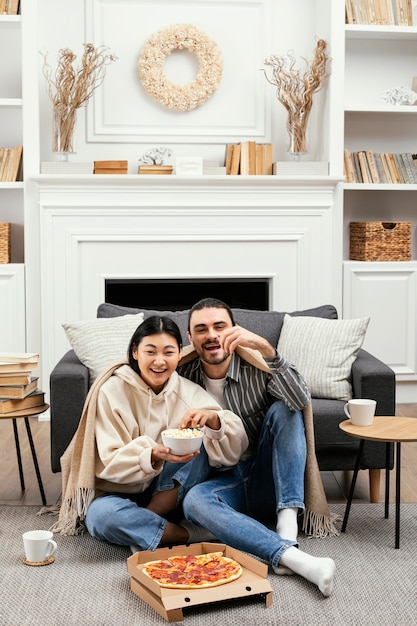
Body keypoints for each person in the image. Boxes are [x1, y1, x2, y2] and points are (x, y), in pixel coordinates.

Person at [178, 298, 337, 596]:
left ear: (234, 330)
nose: (211, 334)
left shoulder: (256, 365)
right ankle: (292, 557)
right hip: (222, 482)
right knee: (193, 503)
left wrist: (268, 350)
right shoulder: (182, 374)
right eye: (201, 329)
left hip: (266, 474)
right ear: (190, 338)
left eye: (219, 326)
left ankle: (287, 525)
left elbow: (301, 401)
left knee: (285, 409)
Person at [52, 315, 248, 551]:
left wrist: (214, 420)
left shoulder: (188, 392)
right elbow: (108, 462)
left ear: (179, 354)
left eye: (168, 352)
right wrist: (151, 455)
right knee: (100, 517)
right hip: (119, 494)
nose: (159, 361)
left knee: (205, 438)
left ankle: (144, 527)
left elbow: (234, 447)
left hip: (171, 492)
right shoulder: (111, 391)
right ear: (135, 352)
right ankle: (189, 533)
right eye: (151, 351)